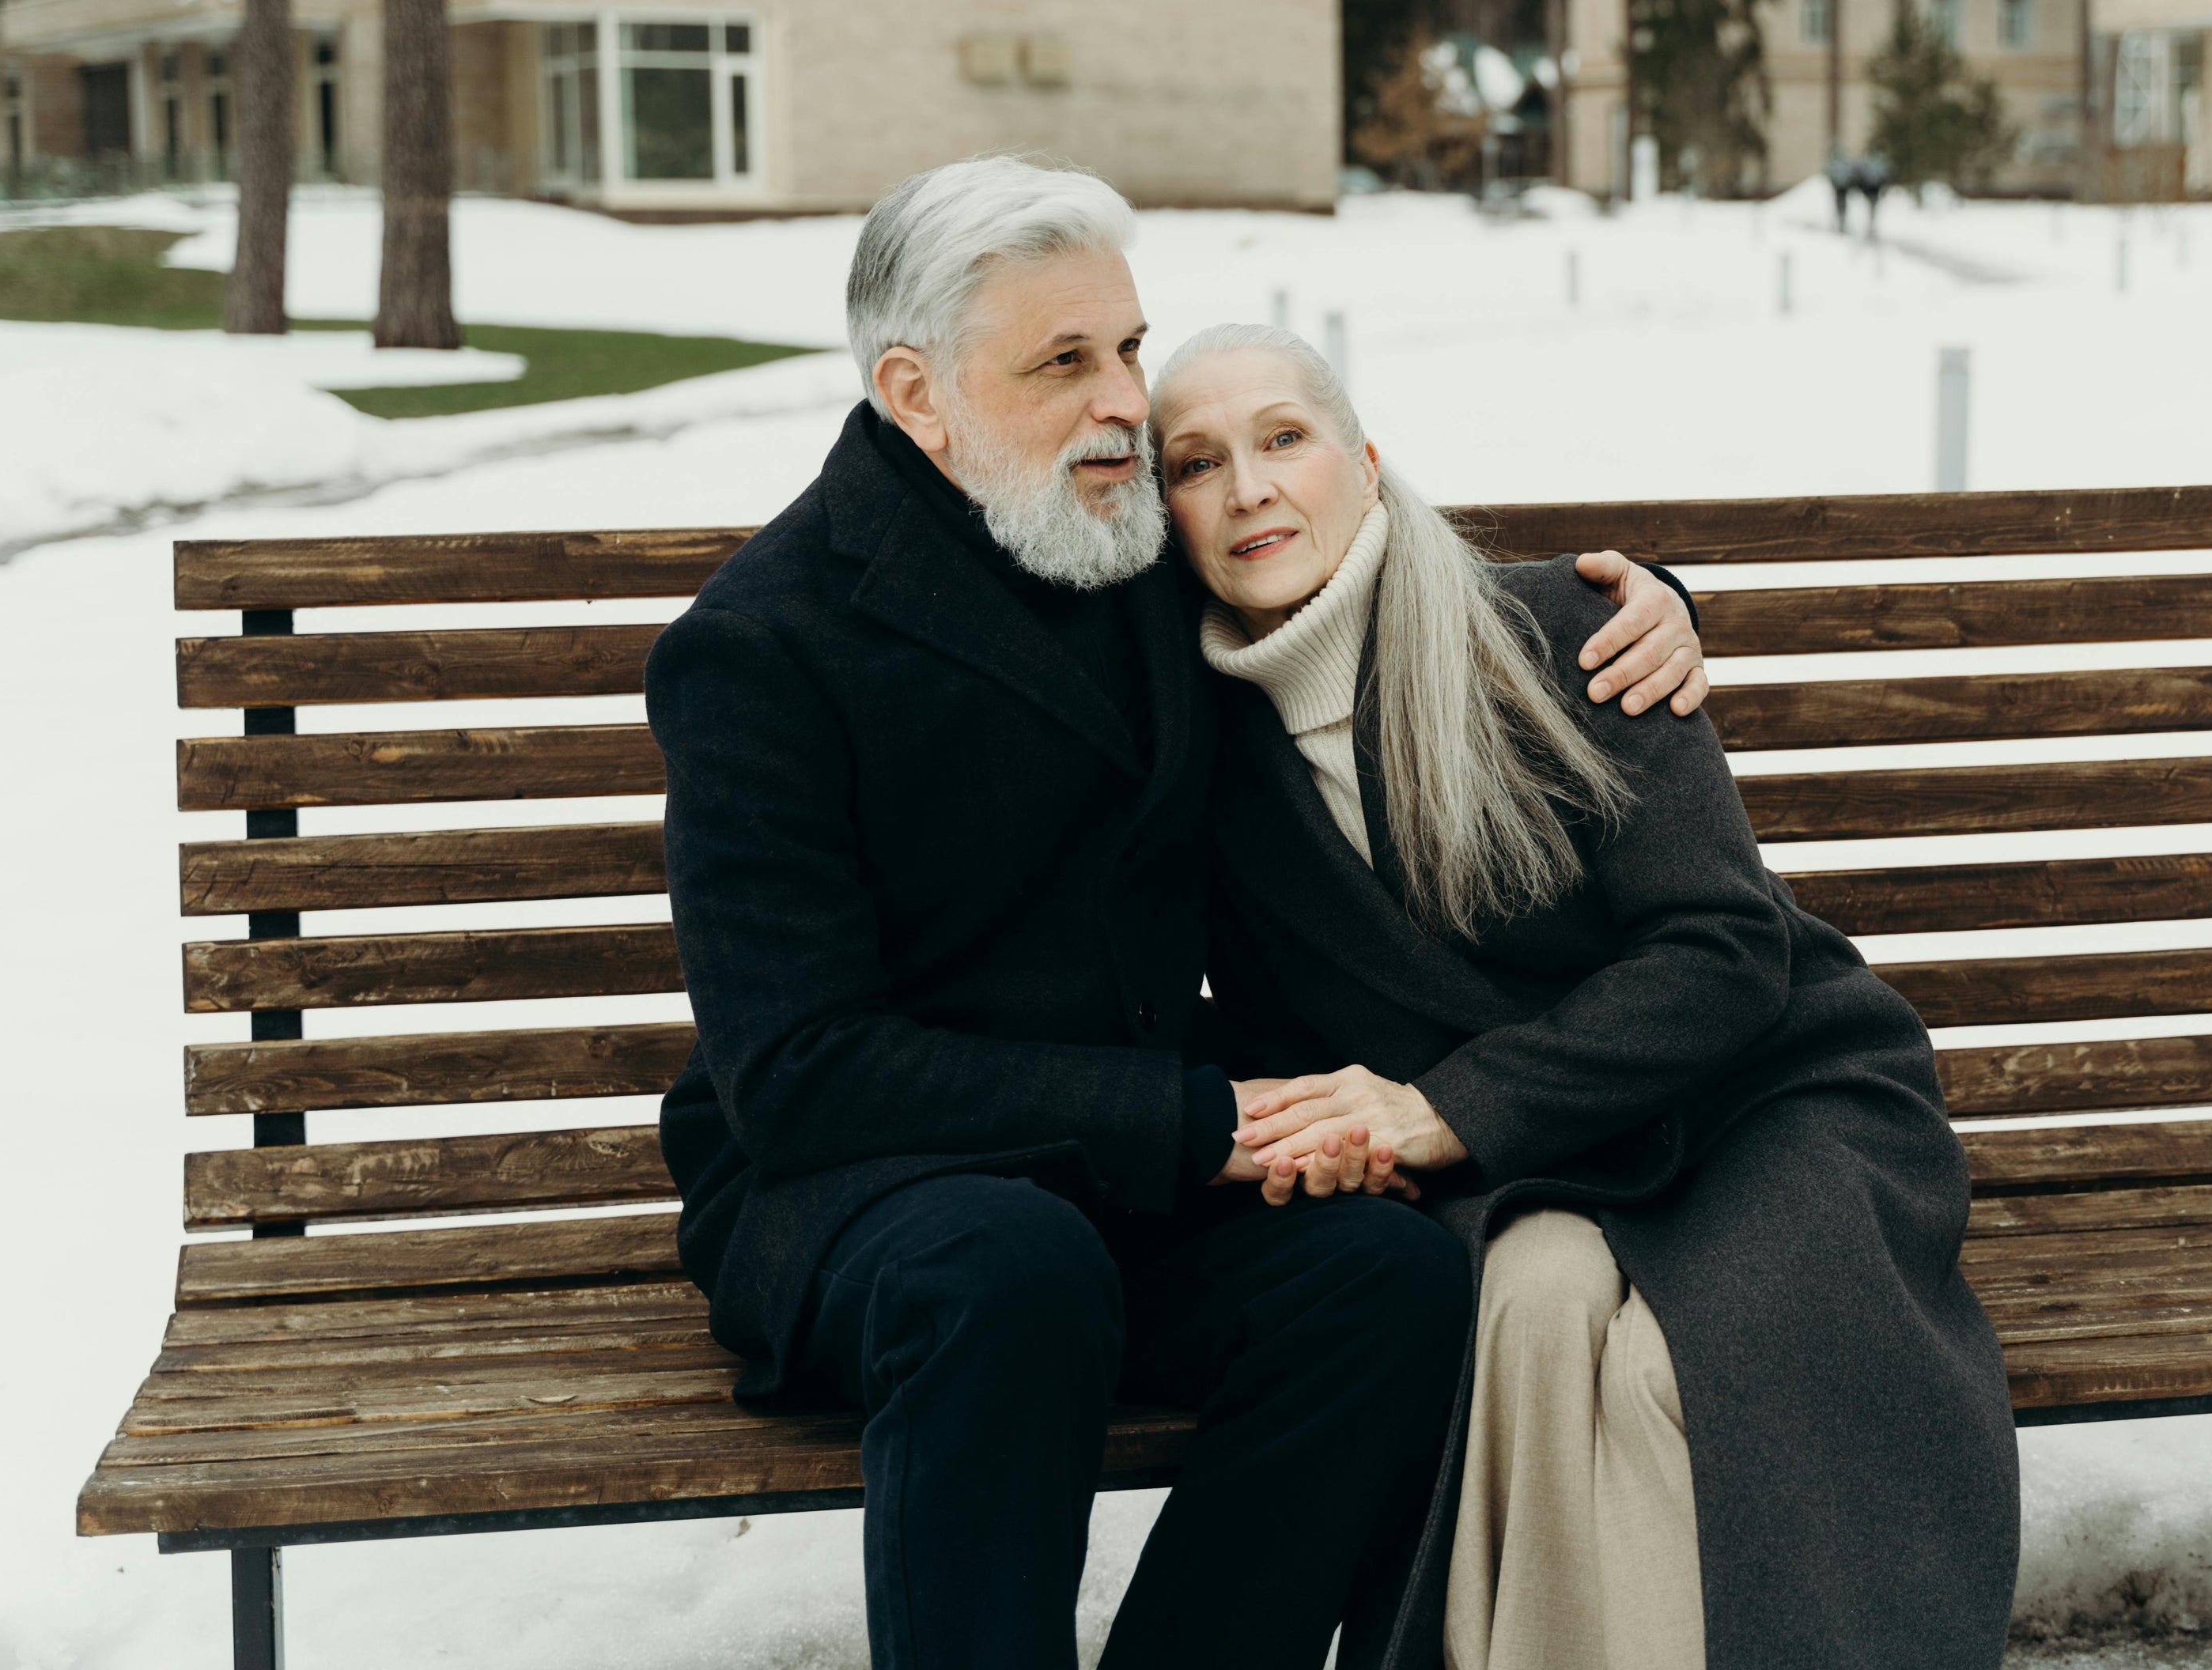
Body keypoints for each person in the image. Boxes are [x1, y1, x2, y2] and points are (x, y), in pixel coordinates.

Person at [645, 157, 1711, 1670]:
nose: (1123, 404)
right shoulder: (764, 647)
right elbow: (798, 1072)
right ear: (916, 392)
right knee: (1011, 1270)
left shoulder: (1120, 534)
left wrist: (1637, 601)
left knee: (1390, 1281)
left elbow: (1360, 567)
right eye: (1063, 362)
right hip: (863, 1193)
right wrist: (1187, 1121)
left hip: (1119, 1181)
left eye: (1130, 349)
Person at [1151, 324, 2024, 1670]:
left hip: (1761, 1097)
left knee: (1681, 1372)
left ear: (1365, 464)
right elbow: (1282, 1022)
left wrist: (1445, 1109)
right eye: (1196, 463)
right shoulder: (1200, 752)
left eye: (1284, 438)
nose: (1248, 487)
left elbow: (1725, 949)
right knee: (1534, 1314)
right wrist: (1333, 1128)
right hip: (1533, 1161)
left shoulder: (1564, 630)